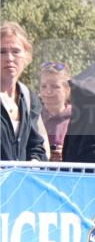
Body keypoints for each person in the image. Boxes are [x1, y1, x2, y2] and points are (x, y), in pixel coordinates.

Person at [1, 22, 47, 161]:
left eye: (16, 51)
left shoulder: (28, 97)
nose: (9, 58)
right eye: (2, 51)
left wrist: (33, 164)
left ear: (26, 56)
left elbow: (36, 147)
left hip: (19, 182)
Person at [38, 61, 73, 162]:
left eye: (55, 86)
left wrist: (66, 153)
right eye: (44, 86)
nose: (48, 91)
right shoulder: (32, 117)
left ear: (67, 89)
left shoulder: (78, 118)